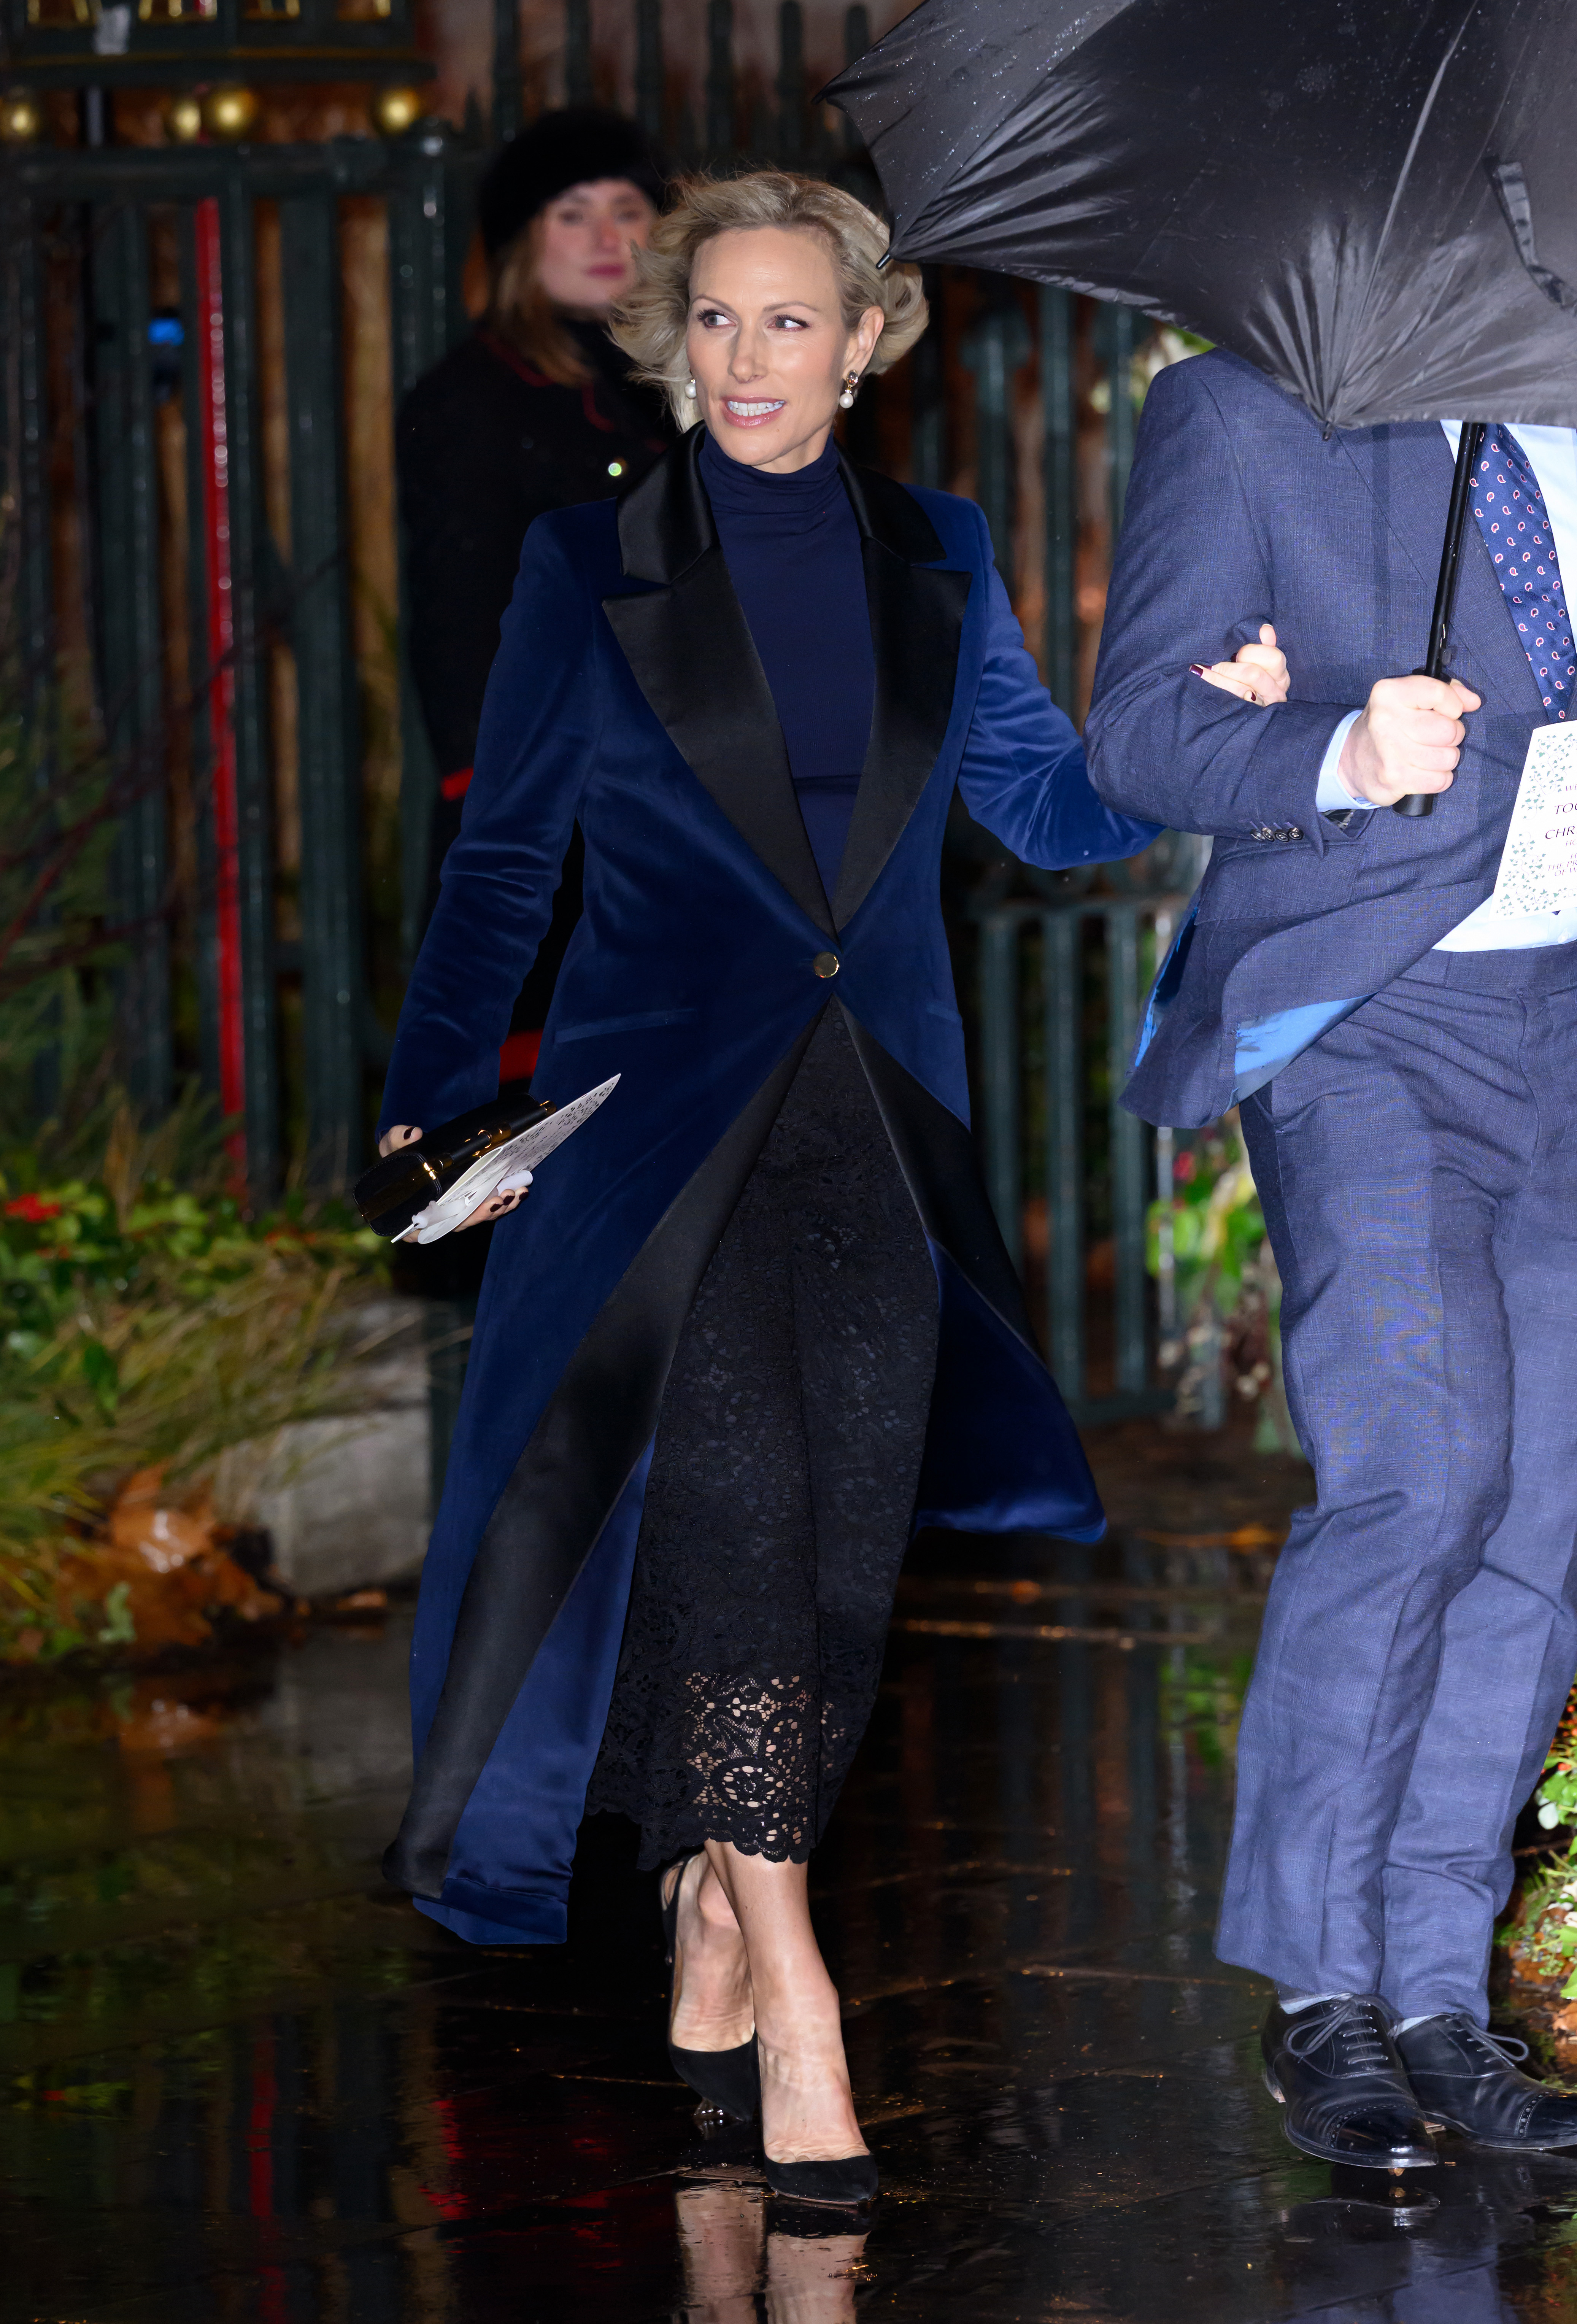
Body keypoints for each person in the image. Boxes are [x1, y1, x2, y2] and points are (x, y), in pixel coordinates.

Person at [374, 170, 1283, 2208]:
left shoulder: (937, 552)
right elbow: (505, 862)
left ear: (865, 344)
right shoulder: (585, 561)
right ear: (668, 342)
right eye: (715, 320)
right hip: (653, 1137)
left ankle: (718, 1892)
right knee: (737, 1537)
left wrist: (1194, 737)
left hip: (874, 1133)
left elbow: (1044, 804)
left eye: (791, 321)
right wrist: (435, 1118)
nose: (749, 359)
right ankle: (797, 1994)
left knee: (840, 1574)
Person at [1086, 349, 1577, 2168]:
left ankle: (1436, 1994)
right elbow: (1136, 730)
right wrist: (1333, 751)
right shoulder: (1248, 410)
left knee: (1539, 1508)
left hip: (1570, 1016)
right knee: (1422, 1467)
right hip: (1370, 1013)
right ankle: (1321, 1989)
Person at [397, 106, 673, 1076]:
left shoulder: (692, 381)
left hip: (682, 785)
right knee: (542, 1080)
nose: (605, 237)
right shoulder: (473, 397)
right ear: (523, 240)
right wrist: (496, 800)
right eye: (572, 214)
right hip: (551, 792)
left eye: (626, 209)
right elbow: (457, 614)